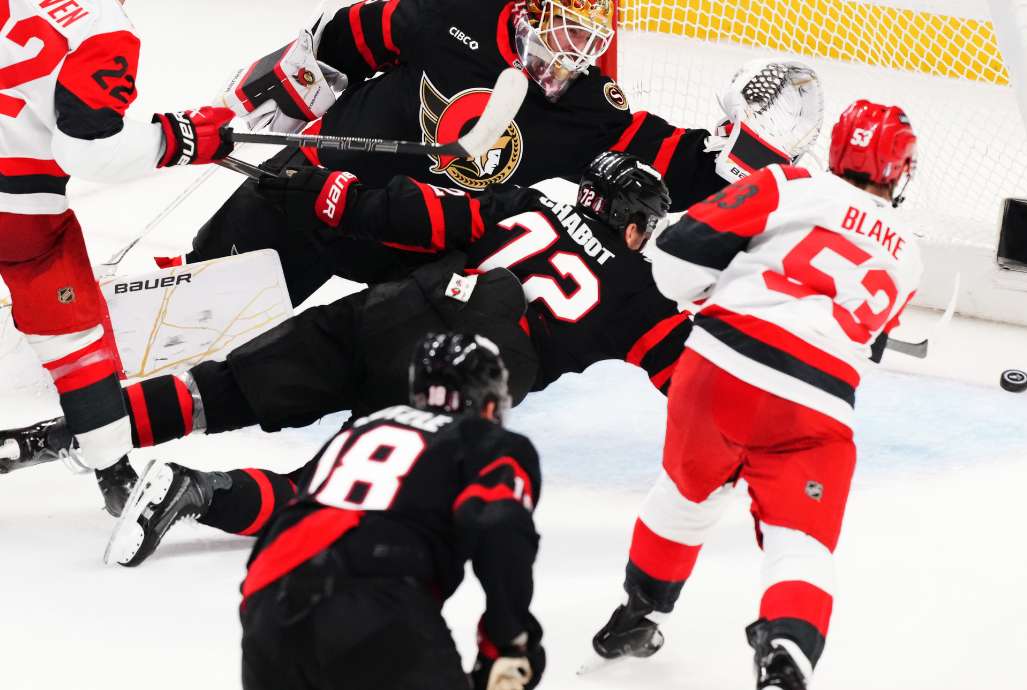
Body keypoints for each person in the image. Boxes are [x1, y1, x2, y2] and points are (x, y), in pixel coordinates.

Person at [95, 151, 690, 567]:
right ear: (633, 223)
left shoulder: (526, 203)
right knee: (328, 493)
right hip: (456, 376)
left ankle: (62, 432)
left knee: (220, 389)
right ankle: (196, 491)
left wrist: (326, 196)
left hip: (392, 311)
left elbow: (418, 214)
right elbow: (693, 375)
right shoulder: (640, 294)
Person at [587, 100, 923, 690]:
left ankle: (637, 617)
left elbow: (674, 258)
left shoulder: (789, 181)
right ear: (899, 170)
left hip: (717, 366)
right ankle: (785, 658)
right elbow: (868, 349)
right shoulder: (910, 255)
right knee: (801, 543)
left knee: (686, 494)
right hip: (815, 403)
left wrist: (718, 289)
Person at [181, 0, 825, 304]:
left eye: (594, 40)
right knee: (188, 315)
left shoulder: (588, 104)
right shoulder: (453, 16)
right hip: (316, 192)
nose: (582, 53)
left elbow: (675, 163)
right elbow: (354, 33)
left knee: (377, 363)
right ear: (533, 11)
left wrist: (755, 159)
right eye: (571, 29)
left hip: (412, 250)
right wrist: (291, 83)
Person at [0, 0, 234, 514]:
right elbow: (89, 151)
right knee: (73, 338)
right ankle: (113, 473)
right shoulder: (103, 26)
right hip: (18, 214)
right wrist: (181, 138)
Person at [237, 332, 545, 690]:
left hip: (267, 607)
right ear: (490, 403)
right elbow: (499, 523)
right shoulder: (487, 440)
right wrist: (508, 640)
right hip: (376, 604)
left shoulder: (357, 431)